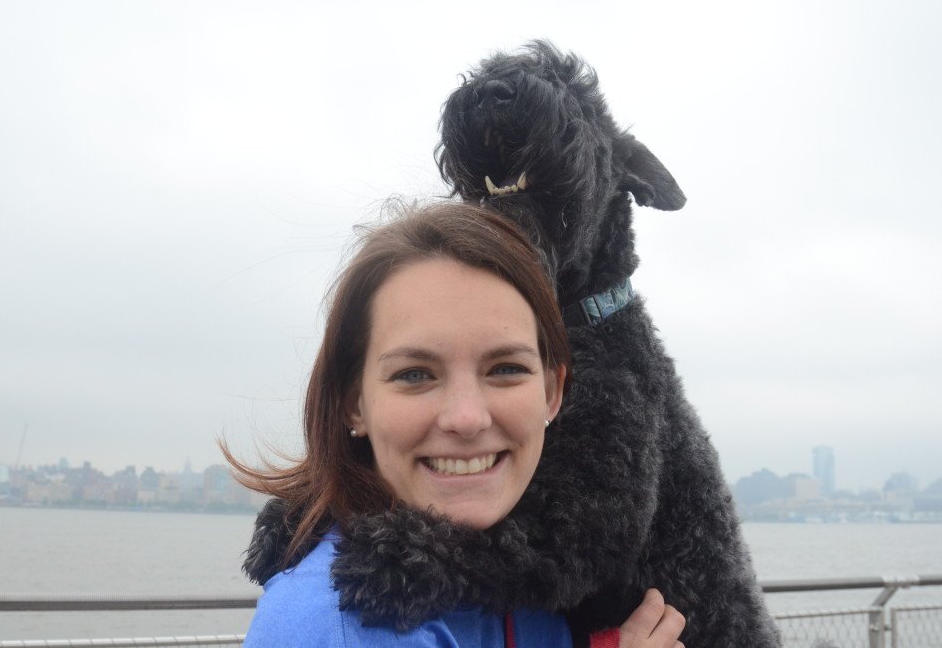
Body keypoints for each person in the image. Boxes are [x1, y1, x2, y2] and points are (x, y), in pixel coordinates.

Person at [226, 201, 686, 647]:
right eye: (415, 375)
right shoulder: (332, 625)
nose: (467, 419)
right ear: (354, 404)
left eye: (506, 369)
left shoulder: (532, 583)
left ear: (552, 392)